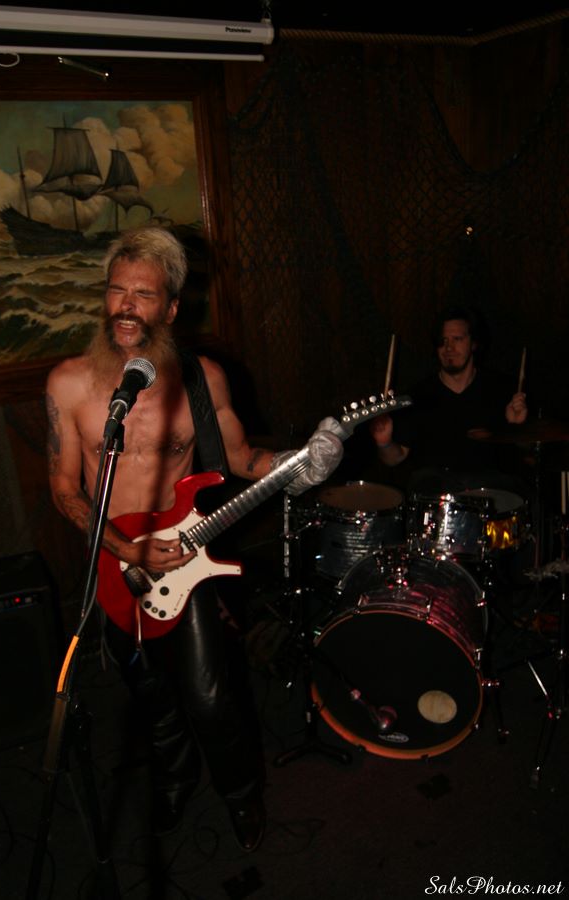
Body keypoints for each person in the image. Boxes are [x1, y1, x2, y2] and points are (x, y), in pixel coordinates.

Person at [45, 225, 343, 852]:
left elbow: (241, 458)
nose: (127, 307)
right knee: (150, 697)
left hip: (184, 558)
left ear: (172, 308)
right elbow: (65, 489)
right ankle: (176, 780)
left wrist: (302, 465)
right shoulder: (69, 384)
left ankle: (241, 794)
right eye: (117, 291)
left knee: (209, 697)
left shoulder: (202, 379)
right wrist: (124, 549)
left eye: (145, 295)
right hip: (114, 565)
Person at [369, 305, 528, 495]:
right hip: (435, 497)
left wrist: (518, 427)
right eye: (443, 341)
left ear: (474, 343)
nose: (448, 348)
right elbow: (394, 458)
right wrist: (384, 442)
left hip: (490, 496)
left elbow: (528, 454)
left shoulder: (502, 390)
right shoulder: (417, 396)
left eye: (457, 339)